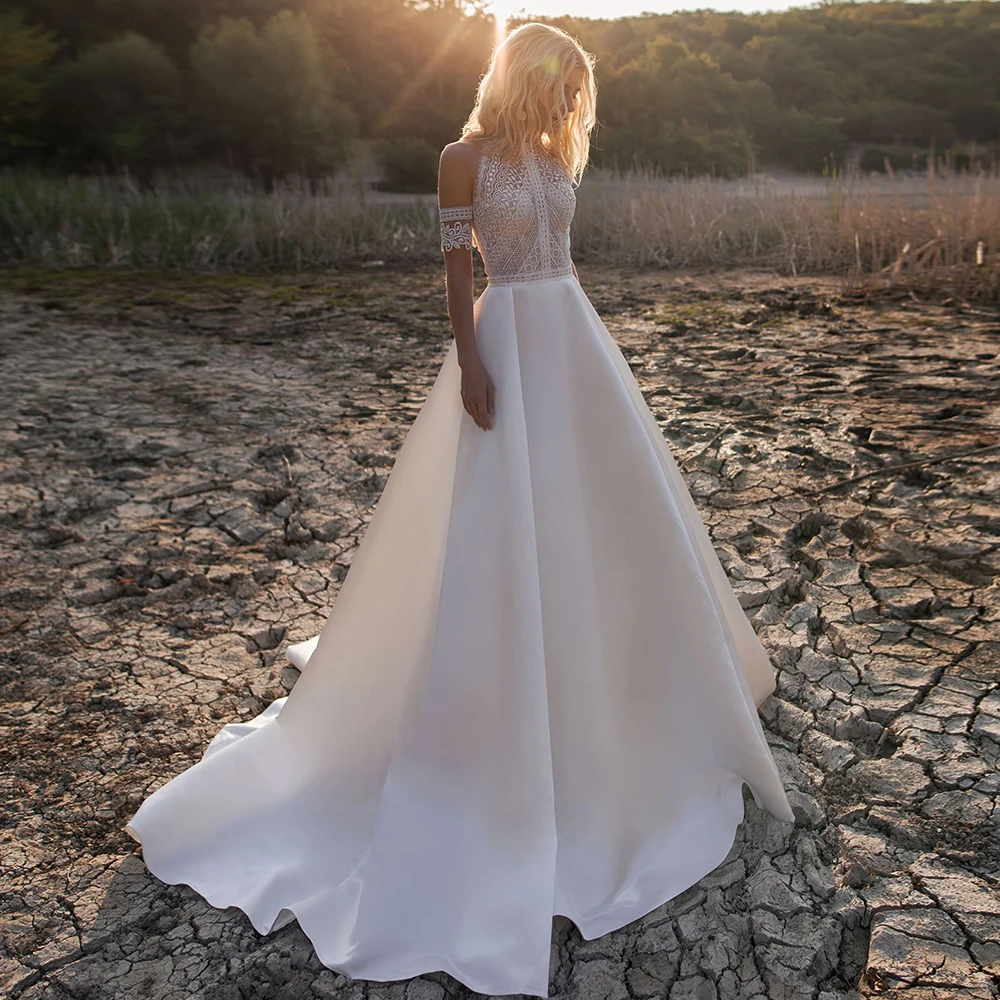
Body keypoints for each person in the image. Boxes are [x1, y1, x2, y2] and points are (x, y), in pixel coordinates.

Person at [126, 22, 795, 998]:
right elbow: (455, 271)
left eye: (578, 86)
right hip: (508, 337)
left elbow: (560, 250)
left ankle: (625, 688)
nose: (570, 99)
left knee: (609, 525)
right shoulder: (461, 158)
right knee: (499, 532)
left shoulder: (554, 153)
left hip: (573, 339)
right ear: (519, 74)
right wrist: (471, 362)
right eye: (559, 81)